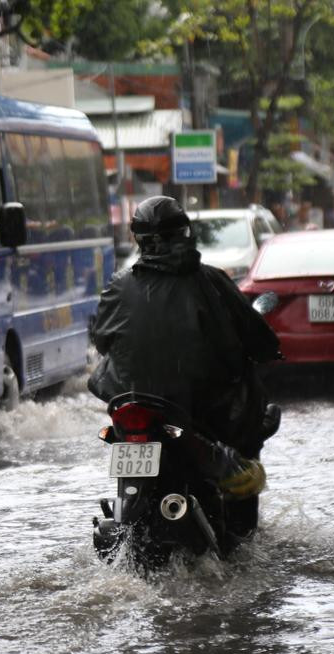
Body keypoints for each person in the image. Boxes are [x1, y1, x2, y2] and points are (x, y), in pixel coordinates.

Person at [88, 196, 281, 498]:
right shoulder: (210, 281)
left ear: (138, 239)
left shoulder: (119, 285)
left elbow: (101, 340)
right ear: (185, 233)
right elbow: (257, 337)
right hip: (197, 409)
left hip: (135, 401)